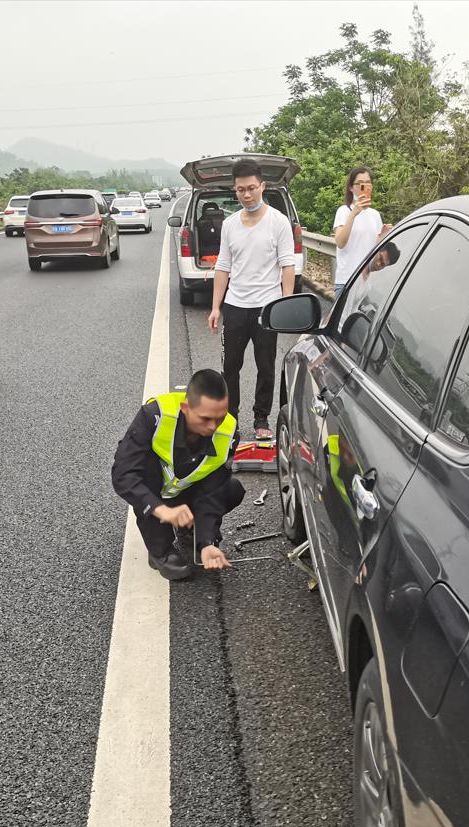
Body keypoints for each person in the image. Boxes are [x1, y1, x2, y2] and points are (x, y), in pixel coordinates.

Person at [111, 369, 245, 580]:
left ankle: (191, 530)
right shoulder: (154, 416)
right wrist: (160, 510)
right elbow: (123, 474)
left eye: (219, 418)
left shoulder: (228, 432)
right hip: (154, 496)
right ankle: (160, 551)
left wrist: (207, 542)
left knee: (232, 489)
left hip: (185, 494)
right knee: (144, 471)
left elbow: (213, 492)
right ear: (185, 408)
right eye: (205, 419)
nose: (213, 426)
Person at [207, 160, 297, 441]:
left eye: (251, 188)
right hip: (235, 306)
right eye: (240, 190)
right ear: (235, 190)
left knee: (266, 367)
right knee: (230, 367)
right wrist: (215, 307)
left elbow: (287, 265)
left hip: (267, 307)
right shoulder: (230, 224)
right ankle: (230, 419)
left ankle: (261, 418)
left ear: (262, 186)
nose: (246, 195)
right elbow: (223, 267)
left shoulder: (278, 222)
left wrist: (286, 305)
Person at [332, 166, 388, 295]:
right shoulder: (344, 211)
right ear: (351, 188)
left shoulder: (375, 214)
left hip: (369, 282)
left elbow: (375, 247)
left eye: (368, 183)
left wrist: (383, 236)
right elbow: (340, 242)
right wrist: (353, 214)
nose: (364, 186)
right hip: (347, 281)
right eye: (360, 183)